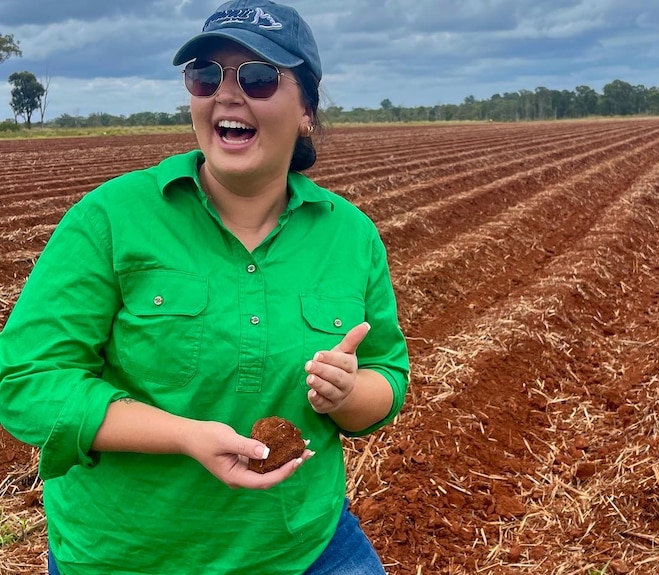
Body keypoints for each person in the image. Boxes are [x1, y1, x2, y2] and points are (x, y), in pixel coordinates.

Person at [0, 1, 409, 573]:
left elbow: (387, 376)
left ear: (308, 110)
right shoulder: (112, 218)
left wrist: (349, 395)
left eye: (261, 77)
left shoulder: (351, 237)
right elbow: (28, 381)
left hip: (306, 547)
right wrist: (185, 435)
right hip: (127, 557)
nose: (227, 93)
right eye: (205, 74)